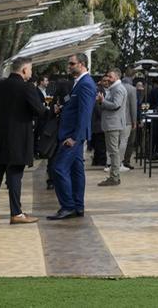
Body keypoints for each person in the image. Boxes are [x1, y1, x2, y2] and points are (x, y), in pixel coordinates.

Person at [0, 57, 46, 224]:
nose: (31, 72)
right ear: (24, 70)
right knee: (15, 175)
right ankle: (16, 213)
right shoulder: (27, 87)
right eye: (30, 69)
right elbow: (40, 111)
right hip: (19, 138)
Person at [47, 53, 97, 220]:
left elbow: (85, 114)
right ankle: (78, 206)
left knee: (58, 169)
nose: (68, 66)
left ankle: (68, 206)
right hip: (71, 133)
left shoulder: (86, 84)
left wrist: (75, 137)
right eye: (69, 63)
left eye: (72, 64)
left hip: (72, 136)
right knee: (76, 171)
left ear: (82, 64)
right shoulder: (79, 83)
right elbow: (75, 107)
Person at [97, 70, 128, 186]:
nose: (108, 79)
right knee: (113, 151)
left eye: (110, 77)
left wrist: (102, 101)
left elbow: (116, 105)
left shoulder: (118, 89)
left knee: (113, 151)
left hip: (113, 124)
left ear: (117, 77)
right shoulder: (114, 88)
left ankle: (114, 177)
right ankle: (114, 176)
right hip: (112, 123)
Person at [120, 73, 138, 170]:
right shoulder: (132, 89)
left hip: (116, 119)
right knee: (127, 141)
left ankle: (113, 162)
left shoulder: (117, 86)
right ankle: (124, 161)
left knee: (117, 142)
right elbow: (133, 107)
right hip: (128, 119)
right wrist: (134, 121)